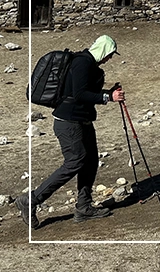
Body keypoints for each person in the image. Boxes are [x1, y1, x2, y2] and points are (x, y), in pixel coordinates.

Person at [16, 35, 124, 229]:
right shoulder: (82, 63)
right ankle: (31, 200)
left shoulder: (89, 64)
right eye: (109, 54)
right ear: (102, 50)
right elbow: (80, 94)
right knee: (75, 161)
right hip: (68, 122)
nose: (109, 58)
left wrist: (108, 92)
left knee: (90, 161)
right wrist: (109, 96)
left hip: (82, 120)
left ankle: (83, 207)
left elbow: (84, 92)